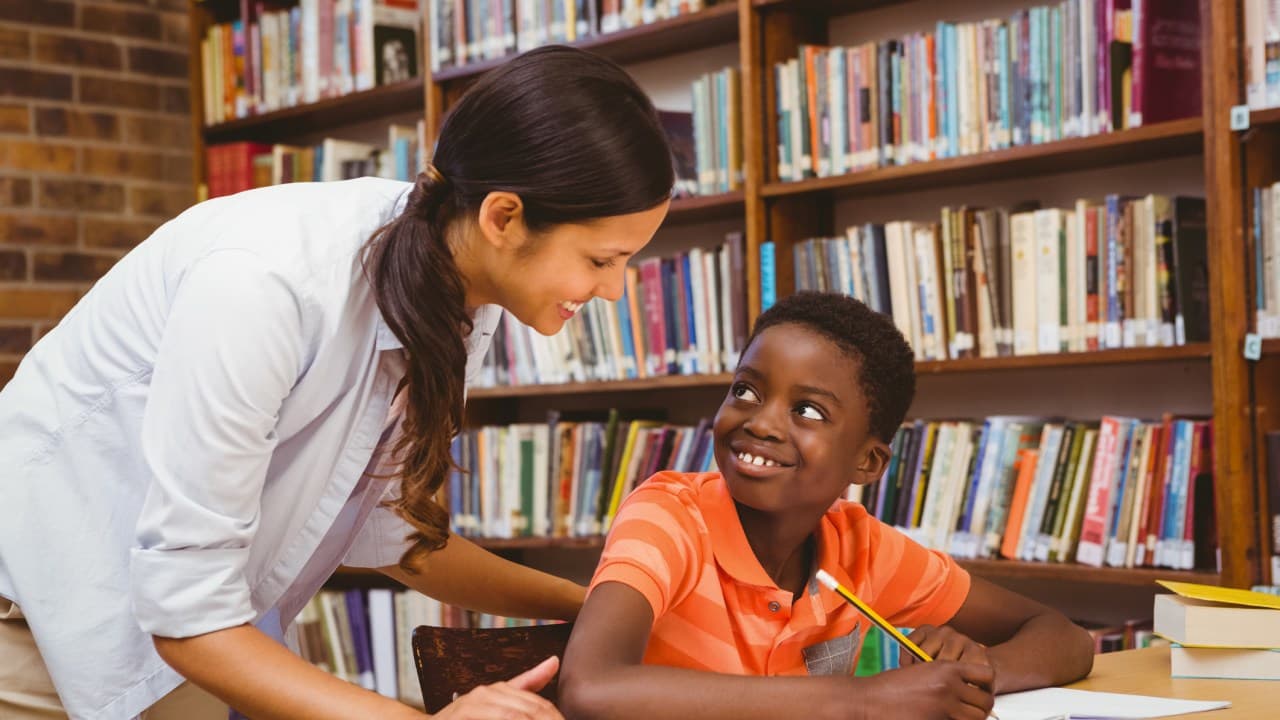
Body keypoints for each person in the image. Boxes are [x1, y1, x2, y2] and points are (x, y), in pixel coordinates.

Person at [0, 45, 673, 720]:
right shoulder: (265, 286)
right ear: (504, 218)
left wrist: (595, 607)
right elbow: (188, 615)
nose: (614, 291)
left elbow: (395, 538)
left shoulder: (461, 289)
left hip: (176, 636)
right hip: (38, 626)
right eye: (601, 260)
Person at [559, 292, 1095, 720]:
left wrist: (973, 674)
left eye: (808, 410)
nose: (761, 422)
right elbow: (592, 687)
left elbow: (1063, 636)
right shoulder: (668, 517)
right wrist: (864, 702)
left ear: (868, 463)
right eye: (745, 391)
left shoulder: (863, 548)